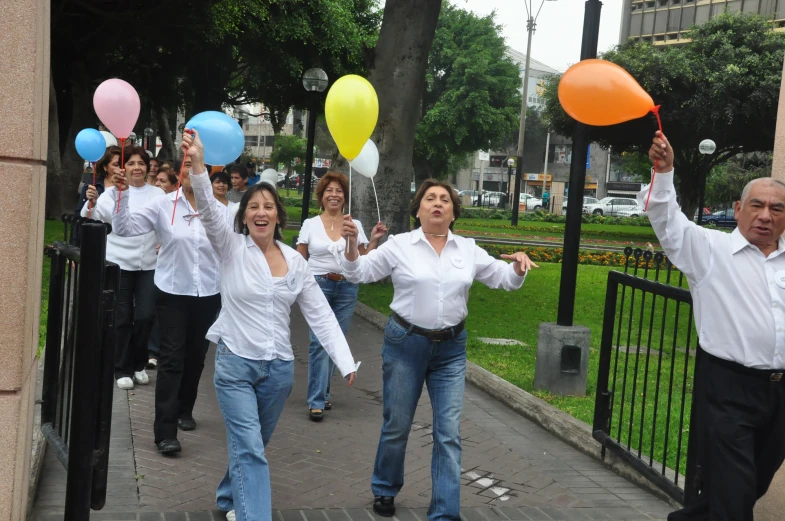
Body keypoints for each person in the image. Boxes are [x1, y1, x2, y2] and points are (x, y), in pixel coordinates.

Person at [181, 130, 357, 521]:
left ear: (279, 215)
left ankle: (229, 496)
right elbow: (209, 210)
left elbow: (320, 315)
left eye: (268, 207)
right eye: (253, 206)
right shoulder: (231, 248)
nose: (261, 212)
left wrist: (345, 361)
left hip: (278, 370)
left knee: (252, 445)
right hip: (235, 366)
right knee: (250, 450)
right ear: (244, 215)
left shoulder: (296, 263)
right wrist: (197, 165)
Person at [340, 179, 537, 521]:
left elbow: (503, 278)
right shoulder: (400, 245)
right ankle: (385, 486)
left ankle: (445, 513)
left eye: (445, 200)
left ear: (453, 212)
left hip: (451, 350)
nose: (437, 204)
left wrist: (518, 268)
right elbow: (361, 273)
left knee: (448, 432)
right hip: (405, 344)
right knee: (397, 424)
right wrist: (351, 248)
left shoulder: (467, 249)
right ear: (417, 210)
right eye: (430, 198)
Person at [644, 131, 785, 521]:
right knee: (735, 495)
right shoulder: (710, 250)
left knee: (749, 485)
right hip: (728, 388)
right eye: (757, 205)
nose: (765, 215)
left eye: (777, 209)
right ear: (738, 208)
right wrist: (665, 170)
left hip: (779, 392)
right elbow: (667, 221)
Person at [110, 149, 226, 455]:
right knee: (172, 359)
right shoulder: (163, 204)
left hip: (208, 294)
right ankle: (165, 432)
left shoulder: (219, 210)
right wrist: (120, 197)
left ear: (207, 172)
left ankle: (184, 409)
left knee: (196, 356)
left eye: (196, 166)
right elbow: (124, 228)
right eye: (186, 167)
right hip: (173, 293)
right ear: (179, 173)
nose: (190, 172)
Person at [296, 172, 386, 421]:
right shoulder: (310, 224)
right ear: (321, 196)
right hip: (318, 285)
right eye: (329, 191)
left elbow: (362, 258)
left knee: (336, 341)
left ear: (345, 197)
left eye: (339, 191)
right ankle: (316, 400)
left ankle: (323, 393)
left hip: (347, 287)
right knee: (318, 342)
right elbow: (300, 257)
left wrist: (374, 239)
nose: (334, 195)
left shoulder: (352, 224)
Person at [82, 146, 165, 389]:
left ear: (148, 167)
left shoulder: (158, 194)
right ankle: (121, 369)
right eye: (131, 163)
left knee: (145, 316)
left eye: (141, 163)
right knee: (122, 317)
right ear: (123, 168)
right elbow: (94, 216)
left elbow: (166, 224)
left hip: (150, 264)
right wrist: (91, 203)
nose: (137, 168)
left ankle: (139, 363)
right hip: (120, 263)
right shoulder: (110, 193)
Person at [75, 146, 120, 214]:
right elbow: (79, 213)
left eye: (123, 164)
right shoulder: (92, 184)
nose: (120, 168)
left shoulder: (130, 185)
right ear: (105, 167)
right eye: (116, 165)